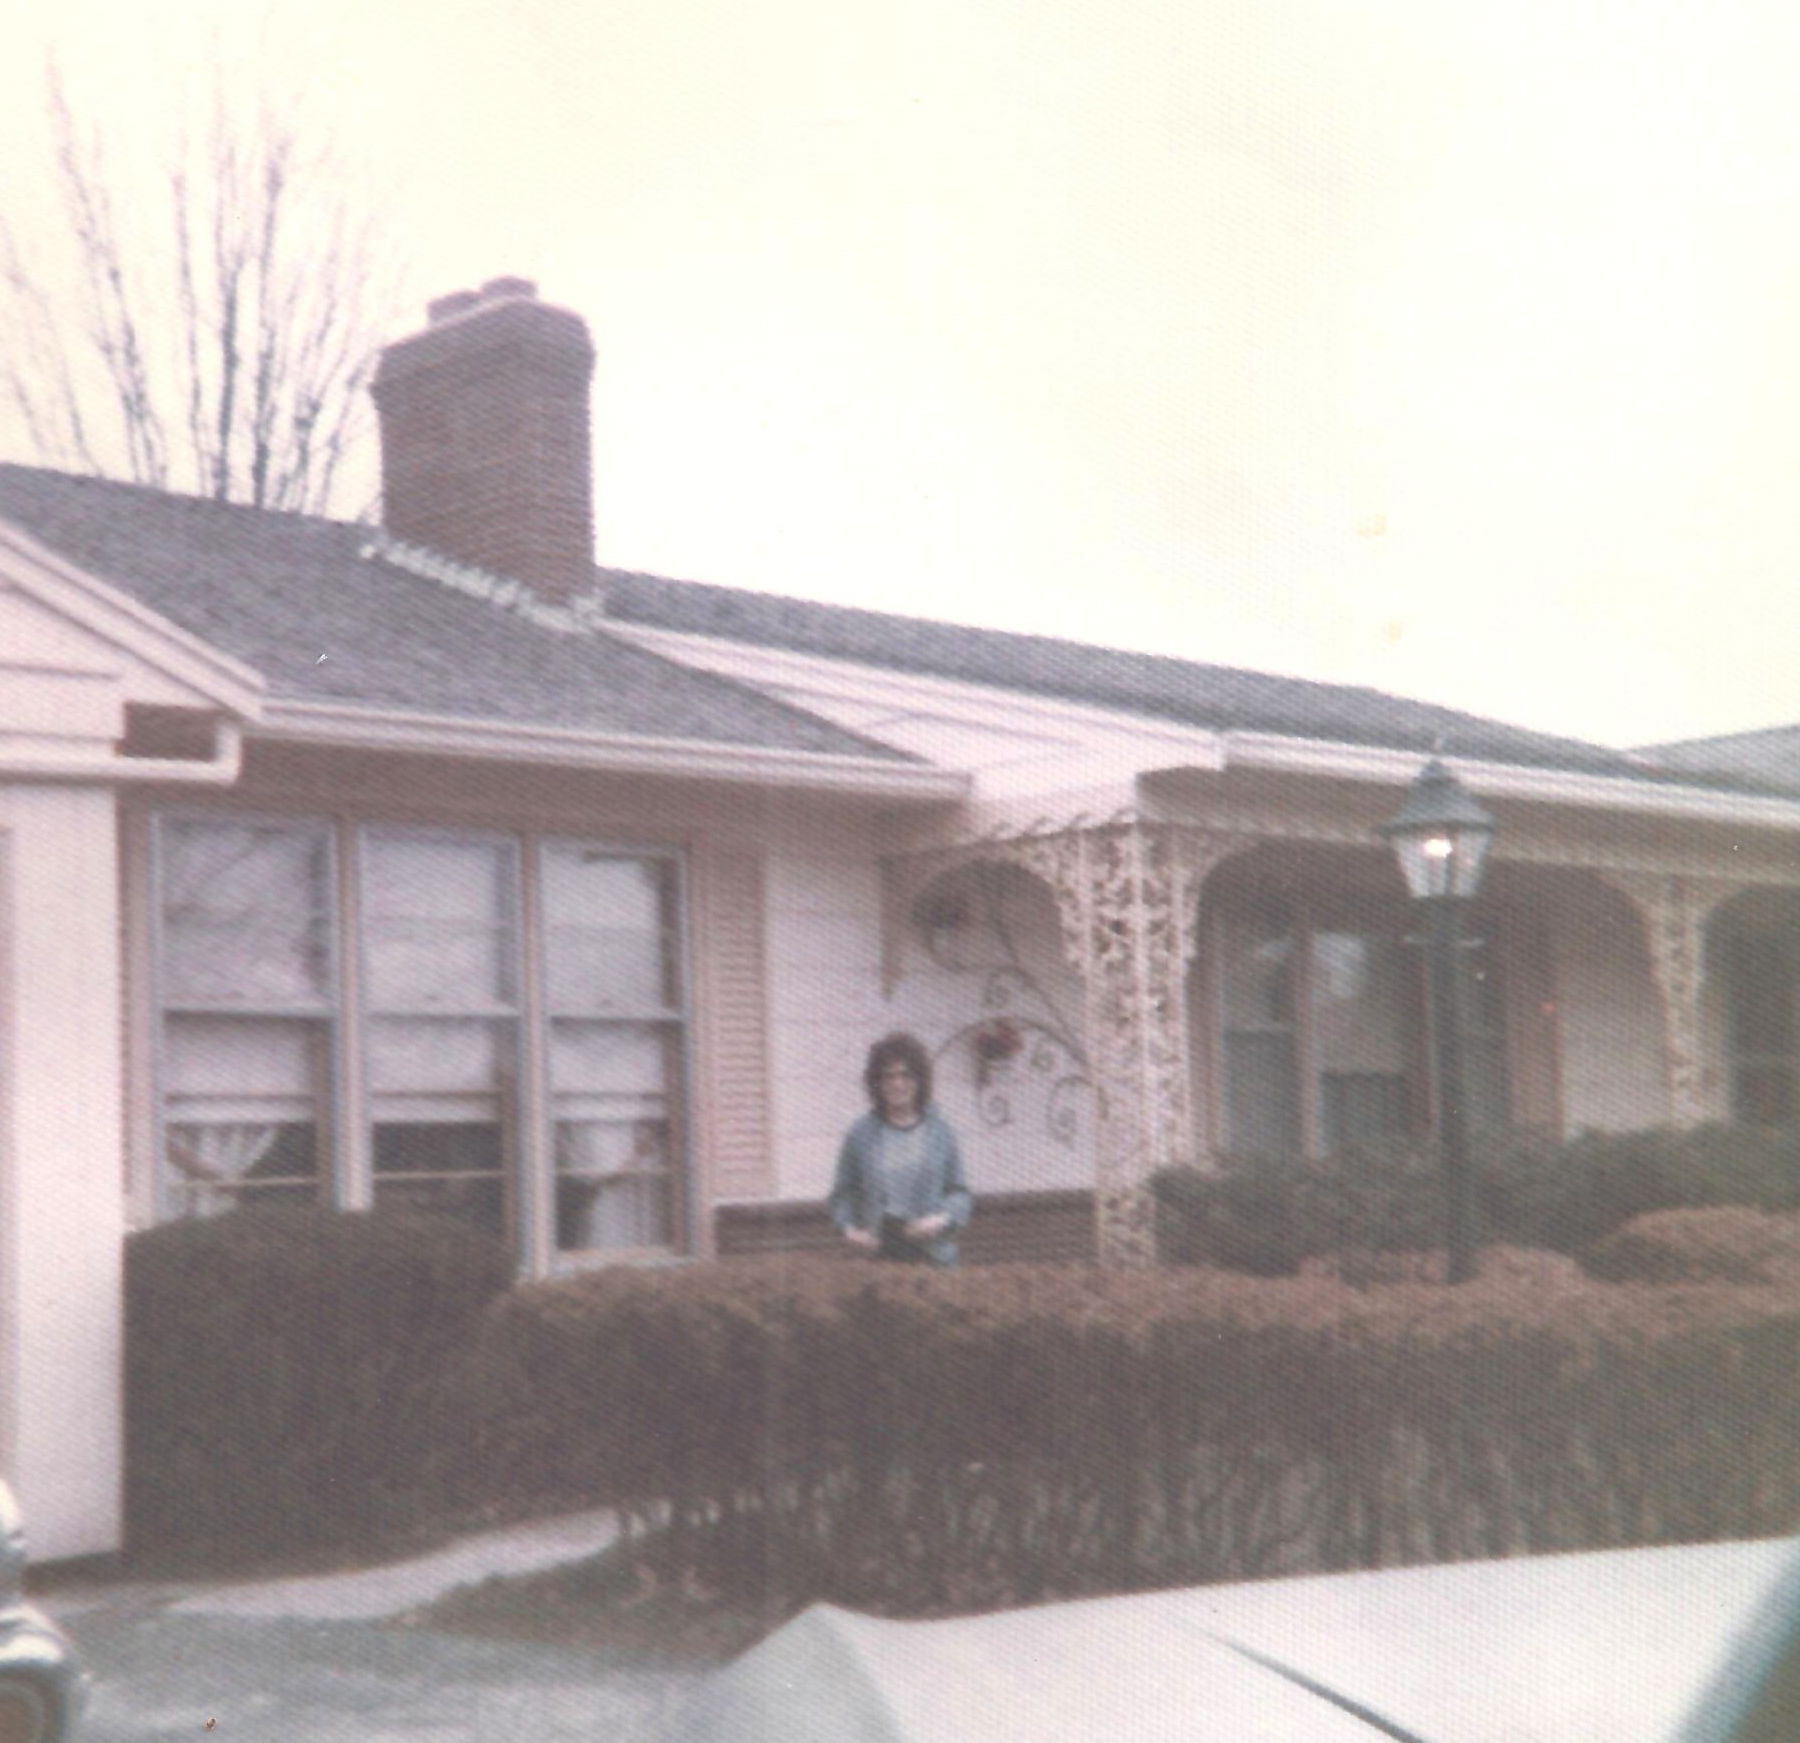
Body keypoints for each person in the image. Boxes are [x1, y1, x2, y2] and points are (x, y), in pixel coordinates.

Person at [828, 1032, 972, 1266]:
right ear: (877, 1082)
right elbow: (843, 1195)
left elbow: (959, 1193)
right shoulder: (860, 1134)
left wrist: (941, 1220)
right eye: (889, 1076)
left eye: (906, 1075)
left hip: (933, 1258)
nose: (897, 1083)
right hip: (878, 1257)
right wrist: (849, 1230)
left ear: (920, 1081)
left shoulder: (940, 1133)